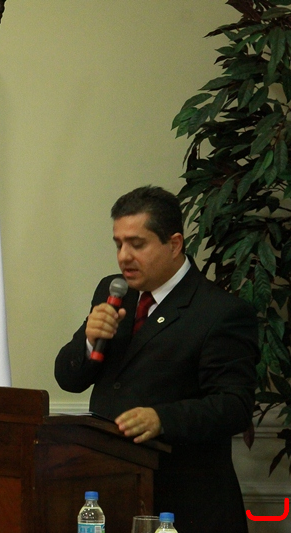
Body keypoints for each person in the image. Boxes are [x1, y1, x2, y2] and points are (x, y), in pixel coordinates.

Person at [54, 186, 258, 533]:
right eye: (119, 244)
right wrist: (88, 340)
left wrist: (162, 418)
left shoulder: (220, 312)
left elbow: (234, 405)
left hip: (186, 503)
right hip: (115, 491)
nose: (124, 257)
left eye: (137, 244)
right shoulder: (113, 291)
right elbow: (69, 379)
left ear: (174, 244)